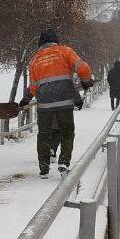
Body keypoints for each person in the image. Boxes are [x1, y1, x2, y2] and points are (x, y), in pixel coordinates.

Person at [19, 29, 93, 177]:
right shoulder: (65, 51)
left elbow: (34, 85)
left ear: (41, 42)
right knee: (67, 132)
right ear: (55, 40)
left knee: (44, 135)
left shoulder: (35, 59)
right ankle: (64, 163)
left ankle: (44, 167)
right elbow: (83, 68)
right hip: (64, 101)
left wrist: (26, 99)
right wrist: (85, 81)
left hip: (44, 104)